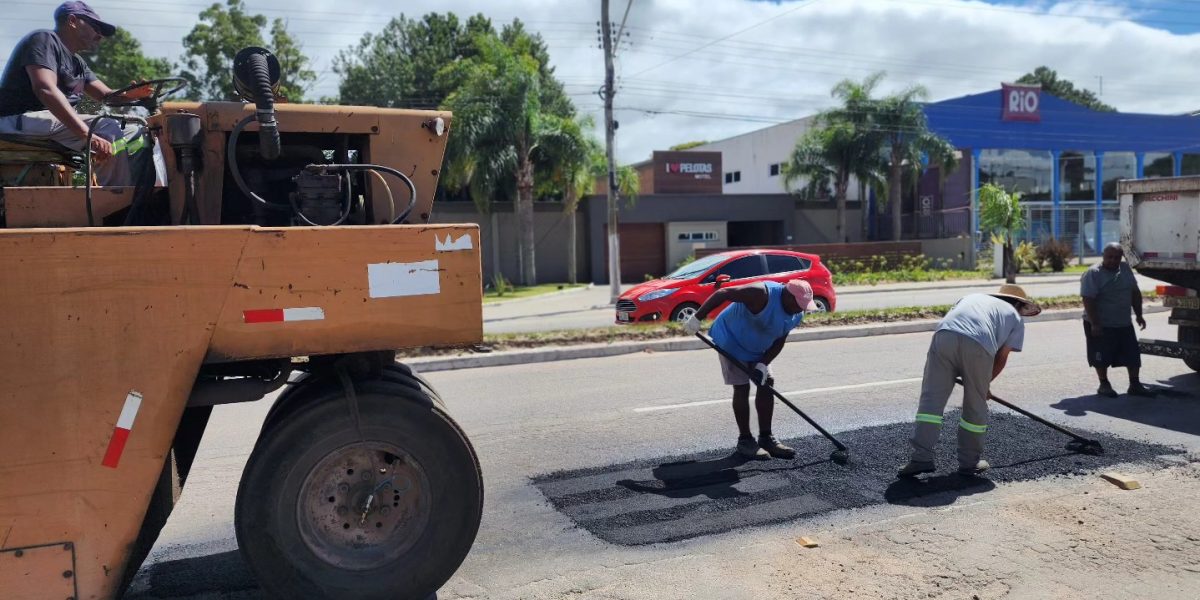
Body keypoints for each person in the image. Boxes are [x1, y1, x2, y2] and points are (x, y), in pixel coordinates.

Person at [0, 2, 156, 186]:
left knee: (136, 131)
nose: (99, 36)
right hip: (17, 120)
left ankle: (141, 193)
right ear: (73, 21)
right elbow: (45, 89)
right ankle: (117, 204)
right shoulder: (44, 39)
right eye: (95, 27)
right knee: (105, 127)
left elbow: (106, 95)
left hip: (47, 122)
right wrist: (86, 133)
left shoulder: (78, 63)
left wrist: (133, 94)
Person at [898, 284, 1041, 478]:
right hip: (979, 343)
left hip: (944, 336)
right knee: (975, 405)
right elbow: (1001, 357)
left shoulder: (972, 297)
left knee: (931, 402)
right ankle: (969, 462)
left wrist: (982, 382)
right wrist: (983, 385)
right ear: (1018, 303)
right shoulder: (1014, 316)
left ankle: (920, 458)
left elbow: (957, 326)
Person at [683, 279, 818, 460]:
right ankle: (745, 441)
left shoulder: (796, 314)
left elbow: (779, 340)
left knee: (767, 382)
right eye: (798, 304)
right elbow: (723, 293)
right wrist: (697, 318)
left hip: (758, 346)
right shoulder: (761, 293)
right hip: (731, 340)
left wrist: (763, 364)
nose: (800, 309)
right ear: (787, 295)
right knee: (742, 386)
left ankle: (766, 438)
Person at [1082, 243, 1153, 398]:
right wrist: (1095, 323)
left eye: (1116, 257)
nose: (1113, 261)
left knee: (1133, 355)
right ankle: (1104, 384)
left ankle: (1134, 384)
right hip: (1100, 323)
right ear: (1103, 256)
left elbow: (1135, 292)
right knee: (1101, 356)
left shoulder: (1125, 269)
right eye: (1109, 257)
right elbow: (1088, 300)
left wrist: (1139, 315)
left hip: (1123, 322)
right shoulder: (1093, 273)